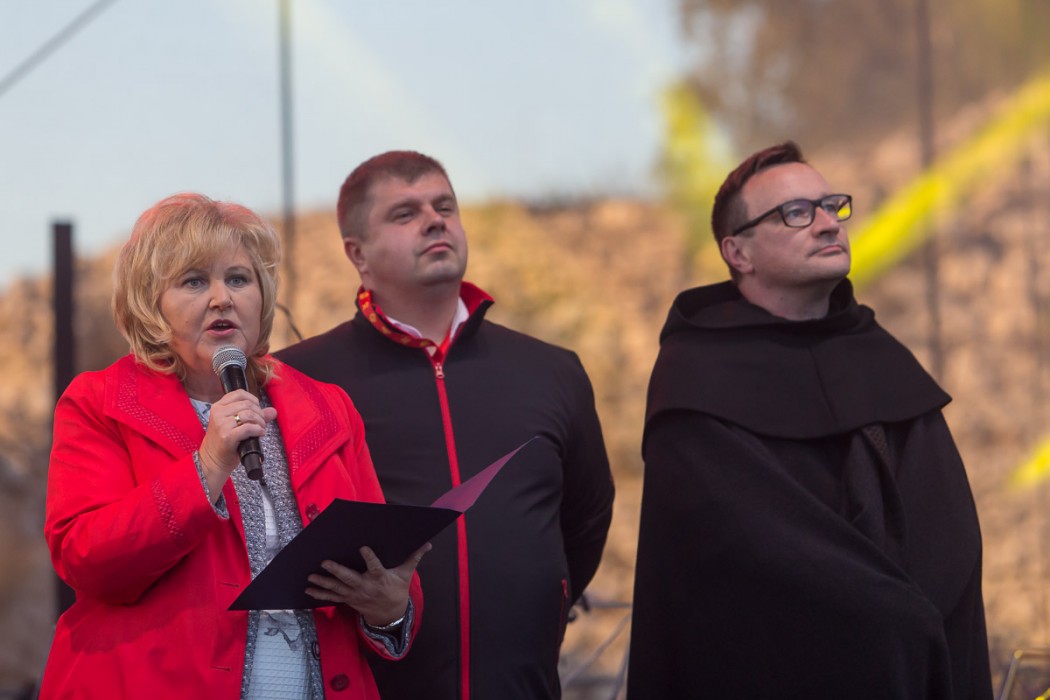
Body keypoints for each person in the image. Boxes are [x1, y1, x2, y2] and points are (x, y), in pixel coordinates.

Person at [628, 142, 993, 698]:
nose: (827, 224)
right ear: (738, 252)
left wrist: (923, 621)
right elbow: (750, 548)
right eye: (796, 213)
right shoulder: (697, 375)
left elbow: (949, 524)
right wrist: (892, 618)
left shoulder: (880, 357)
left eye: (831, 206)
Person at [41, 193, 427, 699]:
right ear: (149, 302)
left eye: (239, 279)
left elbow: (384, 559)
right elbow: (85, 558)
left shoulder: (329, 408)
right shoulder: (101, 403)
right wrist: (206, 466)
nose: (222, 298)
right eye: (194, 281)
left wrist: (390, 610)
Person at [276, 150, 616, 699]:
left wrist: (542, 601)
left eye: (445, 207)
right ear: (357, 254)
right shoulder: (298, 379)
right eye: (405, 213)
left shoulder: (553, 371)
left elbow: (585, 521)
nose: (435, 221)